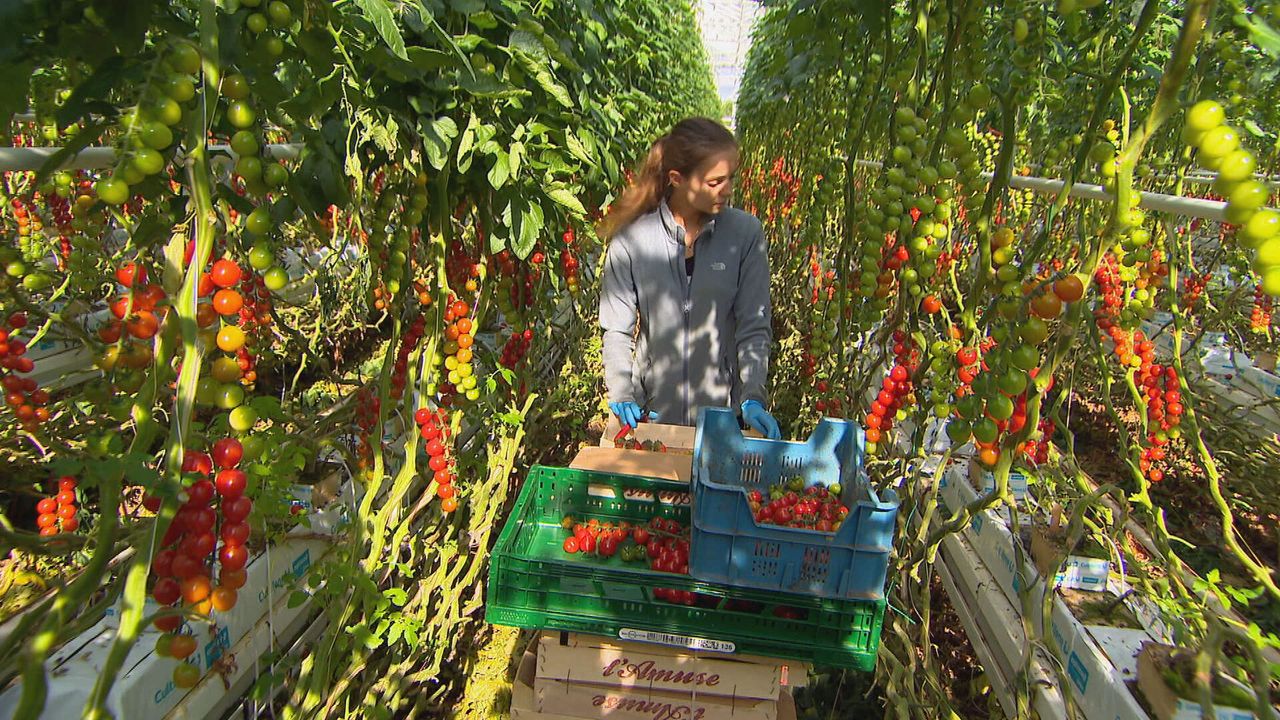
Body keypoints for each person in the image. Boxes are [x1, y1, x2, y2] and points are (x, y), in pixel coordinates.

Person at [596, 117, 781, 439]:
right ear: (677, 179)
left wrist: (752, 396)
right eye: (714, 182)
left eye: (730, 179)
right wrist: (623, 391)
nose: (728, 190)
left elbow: (753, 326)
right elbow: (617, 329)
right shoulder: (632, 241)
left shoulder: (744, 235)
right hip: (650, 418)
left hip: (721, 422)